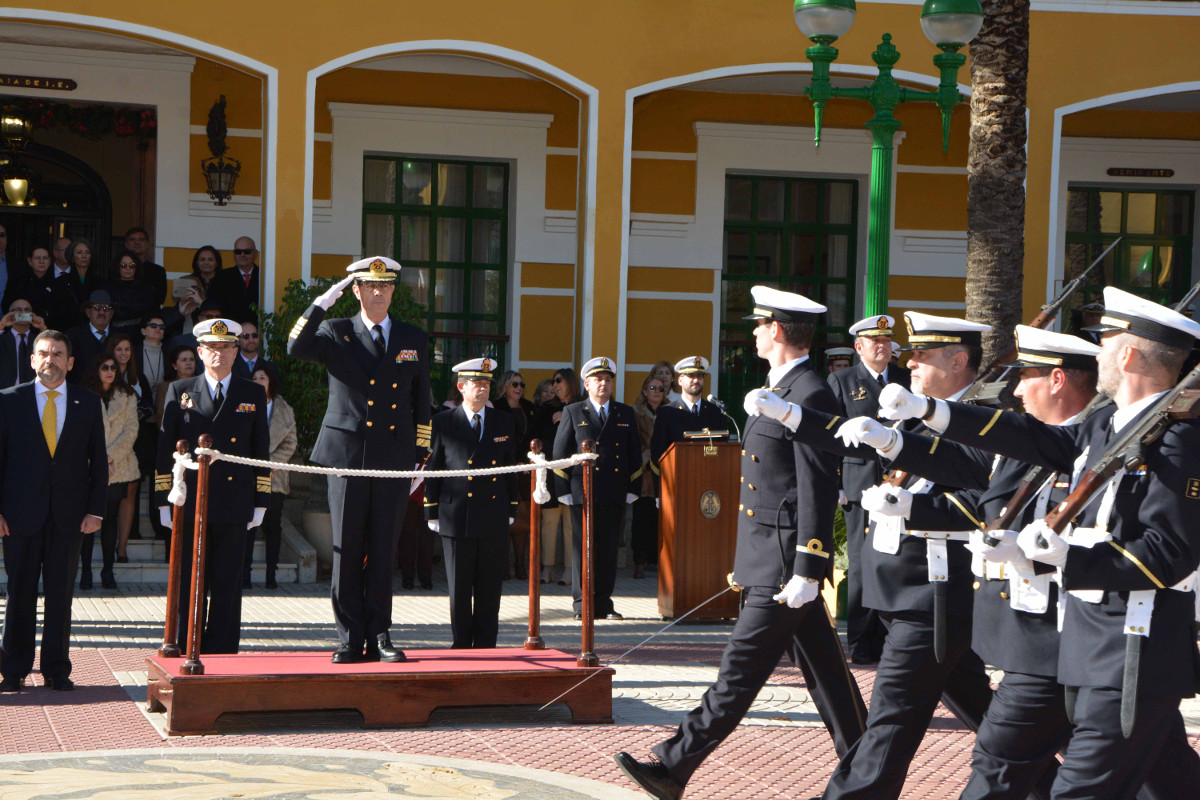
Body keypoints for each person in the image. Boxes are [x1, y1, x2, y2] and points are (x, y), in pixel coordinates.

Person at [873, 287, 1200, 799]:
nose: (1099, 353)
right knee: (1164, 782)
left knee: (1078, 789)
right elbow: (1033, 439)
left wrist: (1069, 559)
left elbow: (1171, 551)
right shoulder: (1106, 423)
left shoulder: (1179, 439)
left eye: (1106, 341)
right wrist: (931, 412)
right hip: (1083, 644)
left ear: (1130, 354)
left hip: (1133, 649)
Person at [614, 286, 868, 799]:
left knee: (737, 675)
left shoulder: (810, 394)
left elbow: (814, 484)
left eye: (758, 325)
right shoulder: (781, 390)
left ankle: (673, 766)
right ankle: (869, 769)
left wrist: (807, 567)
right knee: (830, 681)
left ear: (776, 330)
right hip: (766, 559)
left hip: (783, 567)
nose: (753, 332)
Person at [781, 311, 1000, 800]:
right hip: (910, 592)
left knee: (891, 719)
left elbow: (984, 494)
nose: (911, 362)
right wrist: (790, 415)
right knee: (1003, 726)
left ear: (959, 360)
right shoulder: (920, 412)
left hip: (935, 595)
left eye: (923, 355)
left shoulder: (982, 421)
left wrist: (913, 506)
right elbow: (851, 440)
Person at [287, 255, 432, 664]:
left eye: (385, 286)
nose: (378, 292)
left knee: (384, 547)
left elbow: (422, 400)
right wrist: (322, 303)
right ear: (356, 291)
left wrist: (420, 455)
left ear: (393, 291)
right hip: (347, 455)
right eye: (370, 286)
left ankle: (380, 634)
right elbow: (295, 346)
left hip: (392, 455)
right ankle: (350, 636)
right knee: (347, 546)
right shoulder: (335, 331)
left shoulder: (411, 337)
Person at [0, 331, 107, 693]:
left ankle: (57, 670)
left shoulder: (88, 403)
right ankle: (13, 669)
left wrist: (96, 511)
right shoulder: (7, 401)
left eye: (58, 354)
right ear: (32, 360)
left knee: (61, 595)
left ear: (70, 362)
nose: (50, 360)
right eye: (43, 353)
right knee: (19, 593)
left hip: (70, 516)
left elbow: (100, 464)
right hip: (18, 516)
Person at [155, 318, 269, 654]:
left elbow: (260, 448)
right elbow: (166, 449)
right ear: (200, 352)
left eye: (225, 347)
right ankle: (183, 643)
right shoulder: (181, 391)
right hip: (190, 499)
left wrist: (261, 499)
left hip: (234, 500)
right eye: (211, 347)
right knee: (188, 578)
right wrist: (165, 499)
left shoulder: (252, 392)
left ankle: (221, 650)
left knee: (227, 582)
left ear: (237, 352)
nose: (218, 353)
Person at [828, 314, 910, 665]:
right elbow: (828, 436)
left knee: (897, 559)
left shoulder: (907, 380)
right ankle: (862, 641)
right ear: (859, 347)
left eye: (887, 340)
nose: (883, 345)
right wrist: (835, 484)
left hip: (902, 484)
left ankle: (893, 638)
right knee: (862, 565)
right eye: (875, 341)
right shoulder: (843, 380)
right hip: (860, 486)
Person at [425, 357, 519, 648]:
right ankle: (462, 643)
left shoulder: (504, 420)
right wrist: (432, 510)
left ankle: (487, 642)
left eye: (487, 384)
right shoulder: (443, 422)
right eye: (477, 384)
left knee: (490, 585)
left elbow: (511, 468)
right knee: (460, 585)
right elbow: (434, 469)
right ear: (461, 387)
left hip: (492, 512)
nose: (483, 389)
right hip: (456, 513)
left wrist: (512, 508)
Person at [553, 356, 641, 621]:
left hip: (614, 491)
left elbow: (633, 453)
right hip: (584, 490)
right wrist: (563, 489)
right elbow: (559, 453)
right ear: (587, 384)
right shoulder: (574, 411)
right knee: (584, 549)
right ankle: (582, 603)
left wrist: (633, 486)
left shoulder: (624, 413)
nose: (603, 384)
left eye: (608, 380)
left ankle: (603, 603)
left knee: (608, 549)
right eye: (598, 380)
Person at [78, 352, 140, 590]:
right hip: (87, 466)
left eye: (113, 367)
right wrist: (97, 459)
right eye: (104, 366)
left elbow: (131, 430)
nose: (109, 371)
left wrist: (108, 457)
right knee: (86, 520)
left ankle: (107, 570)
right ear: (96, 369)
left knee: (110, 520)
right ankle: (84, 571)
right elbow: (78, 432)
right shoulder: (82, 396)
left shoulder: (127, 395)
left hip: (118, 466)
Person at [243, 366, 297, 589]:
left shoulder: (283, 408)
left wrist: (271, 463)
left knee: (273, 526)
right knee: (248, 526)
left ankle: (271, 575)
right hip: (248, 474)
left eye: (262, 378)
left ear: (270, 381)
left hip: (275, 476)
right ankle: (244, 575)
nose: (257, 381)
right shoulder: (243, 404)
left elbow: (291, 442)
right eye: (254, 378)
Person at [107, 333, 152, 556]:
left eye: (127, 349)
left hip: (138, 440)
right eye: (119, 349)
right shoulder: (103, 377)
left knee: (130, 493)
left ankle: (122, 547)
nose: (123, 353)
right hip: (110, 444)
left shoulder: (139, 378)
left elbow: (150, 406)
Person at [494, 368, 535, 581]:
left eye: (522, 385)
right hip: (504, 469)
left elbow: (535, 436)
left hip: (526, 470)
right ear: (505, 387)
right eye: (515, 384)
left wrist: (527, 459)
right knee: (504, 518)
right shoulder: (496, 407)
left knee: (523, 517)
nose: (519, 388)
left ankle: (520, 563)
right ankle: (503, 565)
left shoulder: (529, 408)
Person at [534, 371, 574, 584]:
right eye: (552, 382)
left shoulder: (580, 407)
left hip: (572, 474)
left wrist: (567, 416)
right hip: (549, 474)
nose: (555, 385)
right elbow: (536, 438)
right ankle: (547, 567)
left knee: (570, 524)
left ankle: (569, 570)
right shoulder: (544, 410)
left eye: (559, 381)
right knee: (549, 523)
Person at [630, 372, 665, 578]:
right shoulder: (636, 412)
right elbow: (633, 441)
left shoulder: (670, 411)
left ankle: (657, 560)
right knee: (641, 519)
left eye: (660, 388)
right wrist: (645, 457)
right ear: (644, 391)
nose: (657, 392)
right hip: (644, 472)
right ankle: (639, 561)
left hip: (666, 470)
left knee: (661, 519)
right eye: (653, 388)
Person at [106, 250, 159, 339]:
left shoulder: (146, 289)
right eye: (123, 265)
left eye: (132, 266)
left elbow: (150, 313)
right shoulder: (108, 288)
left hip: (138, 333)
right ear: (118, 267)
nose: (128, 268)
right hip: (113, 332)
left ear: (136, 268)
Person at [66, 290, 115, 384]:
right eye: (97, 308)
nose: (102, 312)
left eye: (106, 308)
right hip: (82, 392)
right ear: (88, 312)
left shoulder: (119, 336)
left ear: (111, 313)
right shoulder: (72, 336)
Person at [208, 236, 260, 324]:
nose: (242, 255)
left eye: (247, 252)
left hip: (257, 331)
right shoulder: (221, 277)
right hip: (229, 330)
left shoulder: (264, 276)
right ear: (233, 254)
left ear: (255, 254)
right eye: (238, 252)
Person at [0, 298, 43, 388]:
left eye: (27, 310)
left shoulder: (39, 340)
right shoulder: (3, 339)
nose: (23, 313)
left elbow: (54, 348)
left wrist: (43, 328)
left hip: (32, 394)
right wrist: (1, 325)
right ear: (9, 314)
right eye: (18, 310)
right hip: (4, 394)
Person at [3, 245, 52, 320]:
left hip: (48, 328)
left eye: (45, 258)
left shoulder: (56, 283)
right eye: (37, 258)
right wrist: (30, 319)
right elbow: (6, 307)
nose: (41, 261)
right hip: (23, 327)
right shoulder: (18, 282)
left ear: (49, 261)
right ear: (29, 261)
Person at [123, 227, 167, 307]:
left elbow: (160, 299)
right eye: (132, 239)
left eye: (141, 239)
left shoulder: (158, 271)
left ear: (147, 245)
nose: (137, 242)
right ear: (126, 244)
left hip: (149, 316)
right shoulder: (118, 268)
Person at [155, 345, 198, 425]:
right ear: (175, 365)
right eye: (184, 360)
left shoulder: (203, 384)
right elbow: (161, 415)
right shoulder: (165, 387)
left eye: (191, 359)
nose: (188, 363)